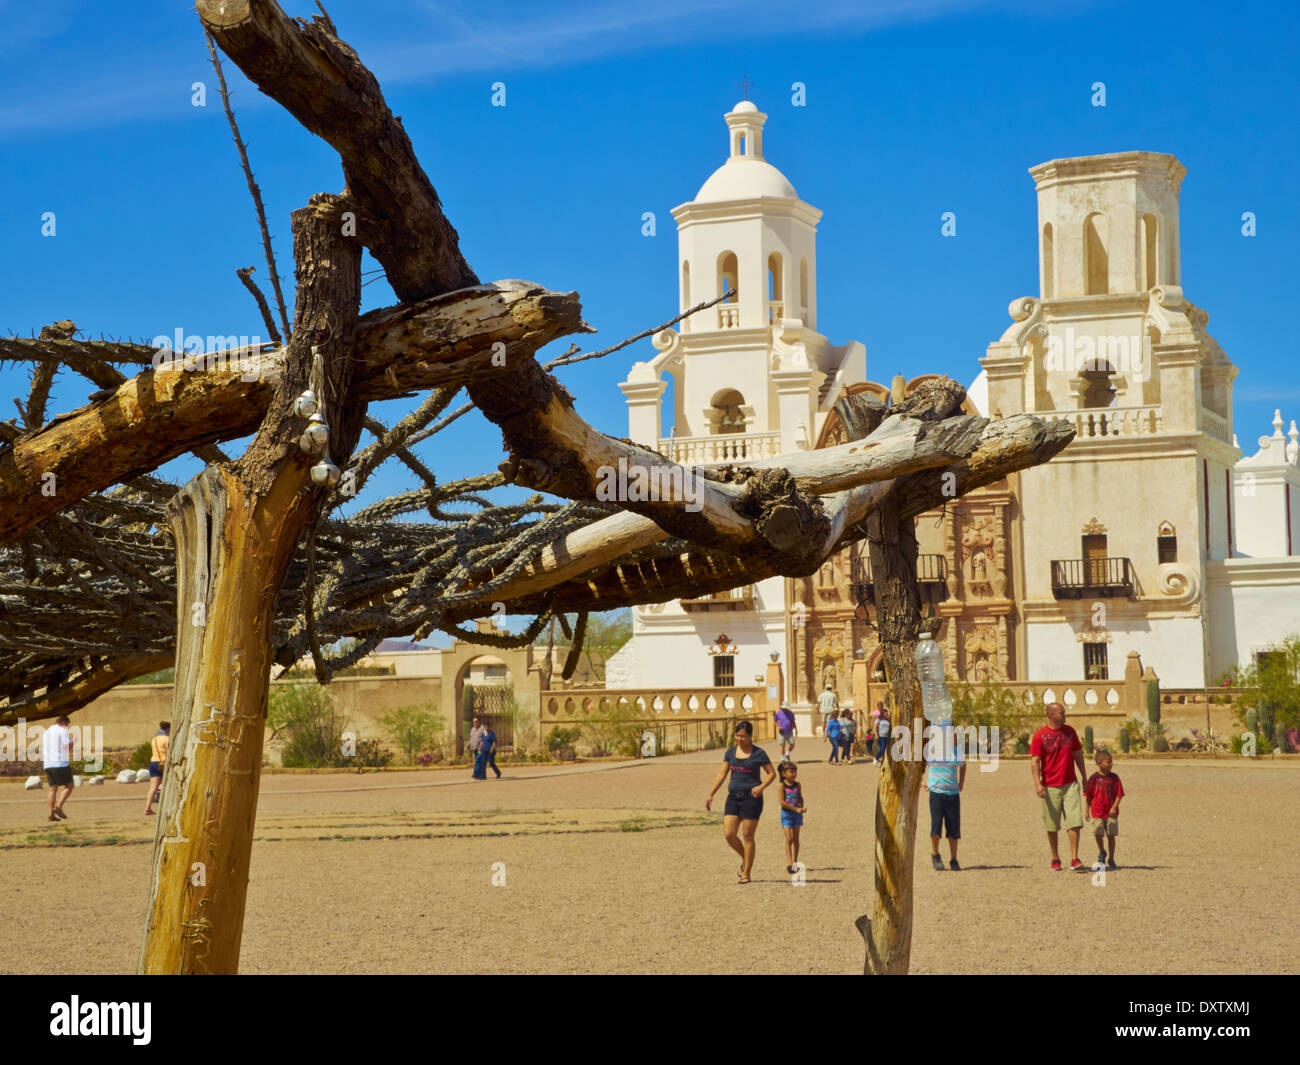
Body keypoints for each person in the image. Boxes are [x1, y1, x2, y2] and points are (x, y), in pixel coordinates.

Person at [705, 720, 776, 884]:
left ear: (750, 736)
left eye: (743, 736)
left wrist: (761, 787)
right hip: (733, 798)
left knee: (748, 835)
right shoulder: (730, 752)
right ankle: (746, 858)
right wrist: (711, 793)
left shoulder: (759, 753)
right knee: (729, 834)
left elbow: (772, 774)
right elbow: (722, 774)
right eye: (737, 736)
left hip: (752, 799)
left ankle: (747, 872)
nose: (739, 739)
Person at [1030, 701, 1087, 871]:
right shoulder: (1040, 736)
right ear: (1051, 715)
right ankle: (1055, 857)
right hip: (1050, 785)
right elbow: (1035, 761)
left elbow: (1078, 754)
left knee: (1074, 821)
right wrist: (1037, 784)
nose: (1064, 715)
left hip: (1070, 783)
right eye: (1061, 712)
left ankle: (1074, 858)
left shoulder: (1070, 732)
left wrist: (1084, 776)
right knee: (1052, 824)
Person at [925, 718, 966, 870]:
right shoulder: (931, 750)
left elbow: (963, 765)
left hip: (953, 794)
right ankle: (935, 854)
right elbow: (920, 766)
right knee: (936, 825)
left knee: (953, 828)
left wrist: (961, 782)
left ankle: (953, 859)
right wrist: (923, 782)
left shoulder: (957, 751)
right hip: (936, 793)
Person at [1083, 749, 1124, 870]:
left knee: (1111, 835)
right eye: (1108, 762)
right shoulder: (1093, 779)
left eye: (1111, 762)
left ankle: (1111, 857)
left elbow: (1119, 794)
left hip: (1111, 813)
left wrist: (1114, 807)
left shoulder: (1114, 778)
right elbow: (1088, 796)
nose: (1111, 764)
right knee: (1098, 833)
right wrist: (1086, 811)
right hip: (1097, 812)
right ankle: (1102, 851)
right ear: (1099, 764)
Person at [41, 714, 75, 822]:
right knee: (69, 785)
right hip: (60, 763)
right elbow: (68, 746)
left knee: (53, 789)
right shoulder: (62, 731)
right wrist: (74, 741)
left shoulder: (46, 732)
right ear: (64, 723)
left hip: (48, 764)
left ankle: (50, 814)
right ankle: (59, 806)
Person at [777, 761, 807, 874]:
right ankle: (789, 863)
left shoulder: (797, 784)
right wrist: (794, 809)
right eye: (791, 772)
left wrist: (802, 807)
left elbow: (800, 797)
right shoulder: (781, 786)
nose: (794, 774)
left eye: (795, 772)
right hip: (786, 814)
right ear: (783, 773)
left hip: (797, 814)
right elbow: (782, 802)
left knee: (796, 839)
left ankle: (795, 861)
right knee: (788, 839)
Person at [144, 721, 169, 815]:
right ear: (168, 729)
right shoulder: (167, 739)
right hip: (163, 763)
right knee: (167, 785)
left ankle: (147, 807)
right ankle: (165, 808)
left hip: (153, 762)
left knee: (153, 787)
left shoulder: (154, 739)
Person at [872, 701, 891, 765]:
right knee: (883, 748)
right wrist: (876, 735)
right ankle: (876, 758)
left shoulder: (887, 720)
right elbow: (875, 727)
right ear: (883, 714)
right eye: (886, 713)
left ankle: (884, 762)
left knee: (885, 750)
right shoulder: (878, 720)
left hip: (886, 736)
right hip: (881, 736)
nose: (887, 714)